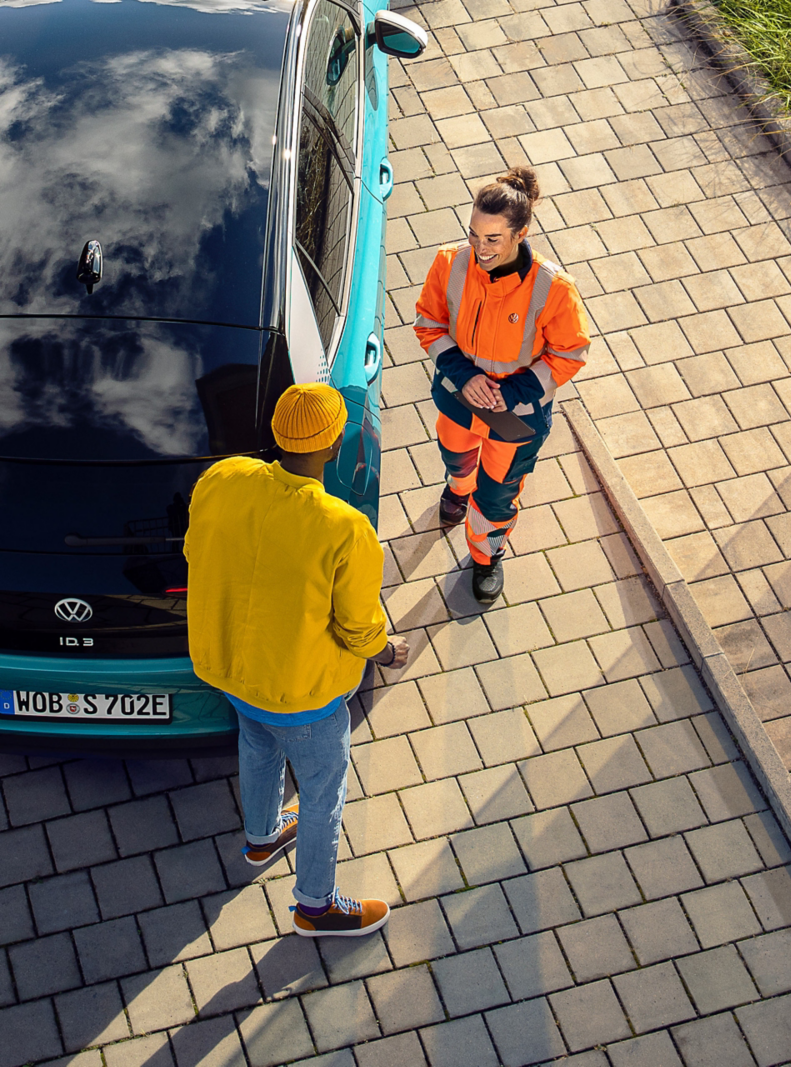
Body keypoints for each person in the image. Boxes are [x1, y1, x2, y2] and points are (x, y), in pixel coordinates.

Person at [183, 383, 409, 938]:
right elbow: (357, 628)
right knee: (322, 794)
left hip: (232, 671)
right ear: (333, 446)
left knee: (256, 747)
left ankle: (260, 839)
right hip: (302, 695)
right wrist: (386, 651)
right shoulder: (345, 529)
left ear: (276, 433)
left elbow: (195, 552)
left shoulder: (222, 478)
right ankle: (315, 906)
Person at [414, 166, 591, 603]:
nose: (479, 248)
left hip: (514, 418)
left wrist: (509, 393)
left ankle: (485, 557)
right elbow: (429, 322)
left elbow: (569, 354)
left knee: (497, 496)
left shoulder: (554, 289)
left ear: (520, 233)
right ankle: (457, 490)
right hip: (458, 401)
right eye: (474, 234)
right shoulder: (449, 262)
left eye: (492, 239)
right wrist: (465, 374)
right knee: (456, 459)